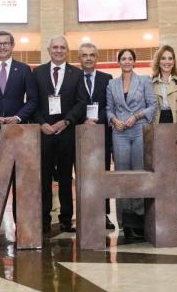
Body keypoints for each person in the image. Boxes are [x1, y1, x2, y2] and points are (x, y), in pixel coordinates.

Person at [34, 36, 88, 233]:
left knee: (66, 178)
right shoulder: (38, 72)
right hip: (44, 132)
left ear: (67, 51)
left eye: (62, 47)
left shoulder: (77, 73)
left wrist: (66, 121)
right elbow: (33, 102)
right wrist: (42, 123)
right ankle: (44, 219)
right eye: (55, 47)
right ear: (49, 50)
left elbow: (81, 102)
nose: (58, 50)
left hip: (67, 131)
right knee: (44, 178)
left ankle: (66, 218)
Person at [107, 48, 157, 241]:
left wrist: (136, 116)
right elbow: (109, 109)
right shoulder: (112, 84)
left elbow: (153, 105)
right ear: (119, 62)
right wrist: (113, 120)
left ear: (134, 62)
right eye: (123, 59)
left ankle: (138, 220)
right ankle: (123, 221)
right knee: (122, 175)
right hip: (119, 133)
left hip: (138, 130)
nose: (127, 61)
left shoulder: (144, 81)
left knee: (138, 174)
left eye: (130, 58)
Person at [0, 31, 38, 173]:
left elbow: (33, 100)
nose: (2, 47)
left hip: (17, 131)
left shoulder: (24, 69)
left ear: (12, 45)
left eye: (6, 43)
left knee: (19, 178)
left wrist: (18, 117)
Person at [151, 44, 177, 211]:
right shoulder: (150, 83)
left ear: (174, 61)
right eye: (163, 58)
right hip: (159, 129)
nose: (167, 61)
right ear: (158, 61)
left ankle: (175, 214)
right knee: (161, 174)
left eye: (170, 58)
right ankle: (162, 213)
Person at [79, 42, 115, 229]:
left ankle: (104, 214)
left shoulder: (107, 78)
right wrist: (84, 121)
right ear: (79, 58)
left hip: (102, 133)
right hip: (80, 133)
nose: (88, 58)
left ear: (97, 57)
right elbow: (71, 104)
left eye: (92, 54)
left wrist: (96, 121)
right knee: (82, 175)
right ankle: (85, 214)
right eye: (85, 55)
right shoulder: (73, 77)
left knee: (103, 174)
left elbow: (109, 105)